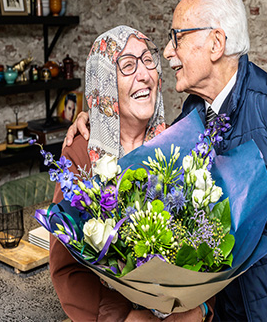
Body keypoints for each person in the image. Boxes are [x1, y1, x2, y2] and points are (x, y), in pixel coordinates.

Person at [66, 0, 267, 321]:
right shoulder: (192, 117)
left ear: (216, 43)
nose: (169, 53)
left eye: (178, 37)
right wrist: (94, 119)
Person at [50, 25, 213, 322]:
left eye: (148, 60)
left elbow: (209, 240)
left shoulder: (179, 146)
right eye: (127, 66)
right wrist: (125, 318)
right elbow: (67, 268)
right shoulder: (80, 154)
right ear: (105, 83)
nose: (144, 75)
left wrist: (201, 308)